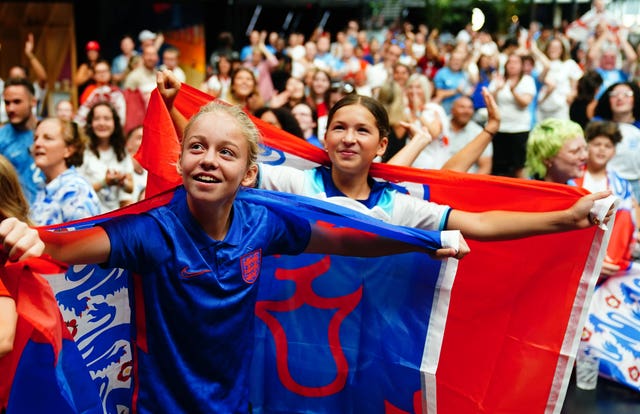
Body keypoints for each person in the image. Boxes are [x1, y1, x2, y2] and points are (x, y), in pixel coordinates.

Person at [0, 98, 457, 414]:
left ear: (248, 172)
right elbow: (68, 247)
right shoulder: (152, 231)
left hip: (236, 405)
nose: (209, 160)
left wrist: (419, 241)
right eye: (196, 147)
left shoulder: (262, 222)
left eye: (226, 152)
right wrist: (36, 240)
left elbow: (343, 239)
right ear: (180, 161)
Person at [159, 70, 610, 243]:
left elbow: (482, 223)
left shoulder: (400, 205)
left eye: (362, 130)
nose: (348, 138)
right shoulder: (295, 181)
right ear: (325, 136)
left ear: (381, 146)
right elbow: (219, 165)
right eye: (339, 127)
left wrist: (567, 218)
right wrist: (177, 107)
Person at [570, 121, 637, 276]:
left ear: (614, 151)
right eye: (597, 144)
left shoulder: (622, 186)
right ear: (587, 147)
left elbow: (624, 225)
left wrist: (608, 260)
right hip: (574, 254)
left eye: (608, 146)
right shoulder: (571, 177)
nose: (602, 149)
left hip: (607, 257)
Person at [29, 118, 102, 225]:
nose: (37, 143)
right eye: (35, 138)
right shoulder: (44, 187)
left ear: (68, 150)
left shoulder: (75, 191)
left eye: (48, 138)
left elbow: (84, 240)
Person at [78, 102, 134, 212]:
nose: (102, 123)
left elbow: (130, 188)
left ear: (114, 123)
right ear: (90, 123)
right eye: (97, 119)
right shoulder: (83, 151)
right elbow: (79, 191)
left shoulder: (121, 151)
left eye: (107, 118)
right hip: (89, 216)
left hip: (114, 217)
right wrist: (105, 183)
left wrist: (121, 182)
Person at [489, 52, 536, 178]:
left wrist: (513, 91)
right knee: (499, 167)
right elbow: (488, 101)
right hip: (500, 128)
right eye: (510, 62)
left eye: (516, 62)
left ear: (521, 65)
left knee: (519, 167)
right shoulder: (498, 79)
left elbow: (525, 103)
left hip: (519, 129)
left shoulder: (527, 80)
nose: (512, 65)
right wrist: (498, 89)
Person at [0, 78, 44, 204]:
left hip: (51, 210)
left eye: (17, 102)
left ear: (33, 102)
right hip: (19, 213)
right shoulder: (1, 138)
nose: (10, 108)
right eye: (7, 103)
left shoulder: (50, 131)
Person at [447, 96, 493, 174]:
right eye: (462, 107)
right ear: (452, 110)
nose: (466, 111)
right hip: (437, 178)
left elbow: (485, 167)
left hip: (466, 180)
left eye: (470, 108)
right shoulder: (440, 126)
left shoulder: (479, 133)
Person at [124, 125, 147, 203]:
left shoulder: (149, 173)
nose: (145, 141)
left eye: (147, 137)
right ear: (128, 144)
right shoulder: (121, 168)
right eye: (140, 137)